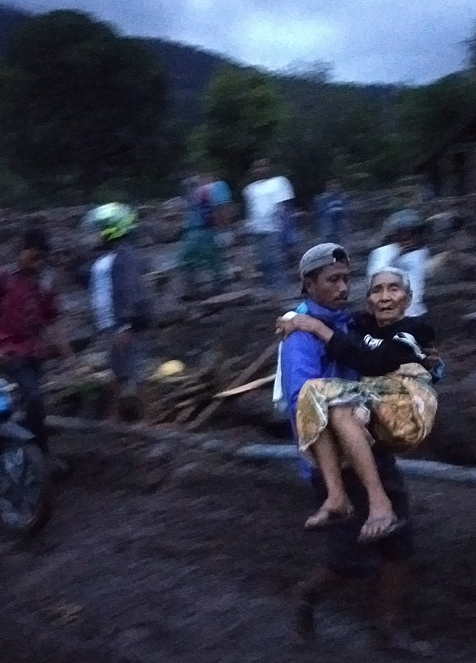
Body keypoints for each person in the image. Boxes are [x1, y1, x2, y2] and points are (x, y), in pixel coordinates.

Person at [278, 243, 429, 654]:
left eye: (347, 279)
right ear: (310, 285)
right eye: (333, 280)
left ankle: (387, 629)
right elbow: (302, 403)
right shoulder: (299, 339)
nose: (344, 287)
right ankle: (307, 597)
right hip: (337, 461)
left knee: (401, 543)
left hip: (372, 446)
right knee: (348, 559)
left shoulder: (347, 323)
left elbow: (382, 355)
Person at [276, 267, 439, 542]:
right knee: (329, 402)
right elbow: (331, 318)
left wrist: (314, 326)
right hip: (374, 407)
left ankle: (379, 504)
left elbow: (372, 362)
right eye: (377, 290)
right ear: (369, 300)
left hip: (407, 408)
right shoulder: (363, 327)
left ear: (408, 298)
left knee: (323, 394)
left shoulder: (416, 328)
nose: (385, 296)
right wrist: (296, 318)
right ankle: (338, 498)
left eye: (393, 289)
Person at [0, 228, 72, 456]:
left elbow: (52, 321)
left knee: (33, 404)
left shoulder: (45, 283)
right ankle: (39, 451)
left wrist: (69, 356)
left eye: (41, 258)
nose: (37, 263)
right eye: (34, 256)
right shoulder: (2, 277)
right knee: (34, 398)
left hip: (35, 352)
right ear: (23, 251)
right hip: (9, 350)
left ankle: (24, 449)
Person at [85, 203, 152, 421]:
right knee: (118, 371)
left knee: (134, 371)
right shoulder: (112, 256)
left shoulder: (124, 257)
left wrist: (124, 325)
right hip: (113, 324)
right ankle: (114, 416)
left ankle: (147, 418)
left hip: (123, 324)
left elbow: (128, 290)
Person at [179, 167, 233, 299]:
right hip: (203, 229)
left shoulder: (204, 189)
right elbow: (220, 209)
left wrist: (223, 229)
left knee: (190, 260)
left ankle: (192, 290)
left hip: (198, 230)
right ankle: (216, 286)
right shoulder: (210, 188)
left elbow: (219, 209)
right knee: (212, 259)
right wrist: (224, 230)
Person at [243, 158, 295, 290]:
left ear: (269, 167)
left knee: (275, 260)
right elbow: (251, 210)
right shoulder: (250, 189)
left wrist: (288, 230)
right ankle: (270, 290)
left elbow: (286, 206)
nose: (260, 170)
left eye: (263, 166)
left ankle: (282, 289)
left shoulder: (279, 182)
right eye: (257, 167)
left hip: (275, 228)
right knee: (264, 261)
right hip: (257, 229)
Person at [366, 209, 429, 317]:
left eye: (413, 234)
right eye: (404, 235)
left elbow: (418, 286)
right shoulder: (382, 253)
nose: (409, 239)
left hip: (414, 312)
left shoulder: (421, 254)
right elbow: (375, 279)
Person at [313, 177, 347, 245]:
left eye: (337, 183)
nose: (335, 186)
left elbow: (346, 211)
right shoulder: (322, 199)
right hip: (328, 231)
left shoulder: (342, 197)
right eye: (333, 183)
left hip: (341, 229)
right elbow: (321, 213)